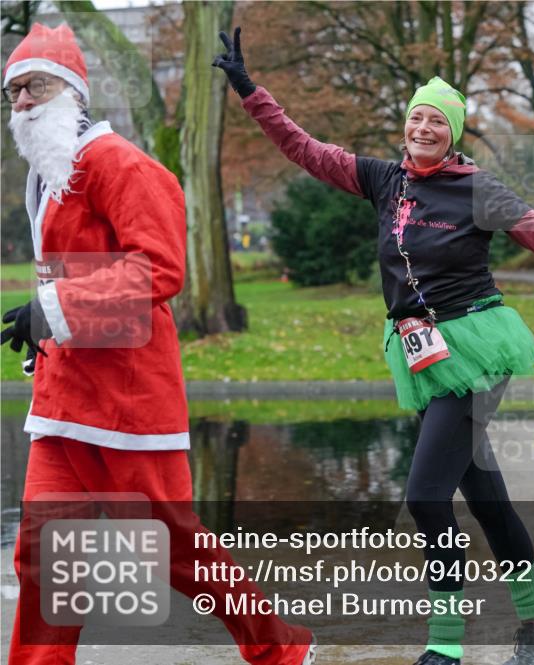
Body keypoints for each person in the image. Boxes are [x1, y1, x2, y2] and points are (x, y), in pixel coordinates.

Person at [214, 27, 534, 665]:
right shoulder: (382, 179)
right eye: (417, 117)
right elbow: (304, 148)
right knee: (483, 494)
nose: (424, 127)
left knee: (426, 495)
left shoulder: (478, 190)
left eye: (437, 120)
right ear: (406, 126)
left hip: (475, 350)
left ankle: (445, 646)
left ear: (452, 133)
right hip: (422, 353)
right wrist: (250, 92)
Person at [1, 23, 316, 665]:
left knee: (174, 549)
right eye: (12, 94)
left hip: (128, 404)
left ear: (71, 91)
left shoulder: (121, 164)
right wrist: (43, 330)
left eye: (33, 88)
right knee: (43, 549)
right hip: (64, 400)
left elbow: (160, 268)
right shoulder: (50, 174)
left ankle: (281, 647)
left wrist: (54, 307)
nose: (22, 104)